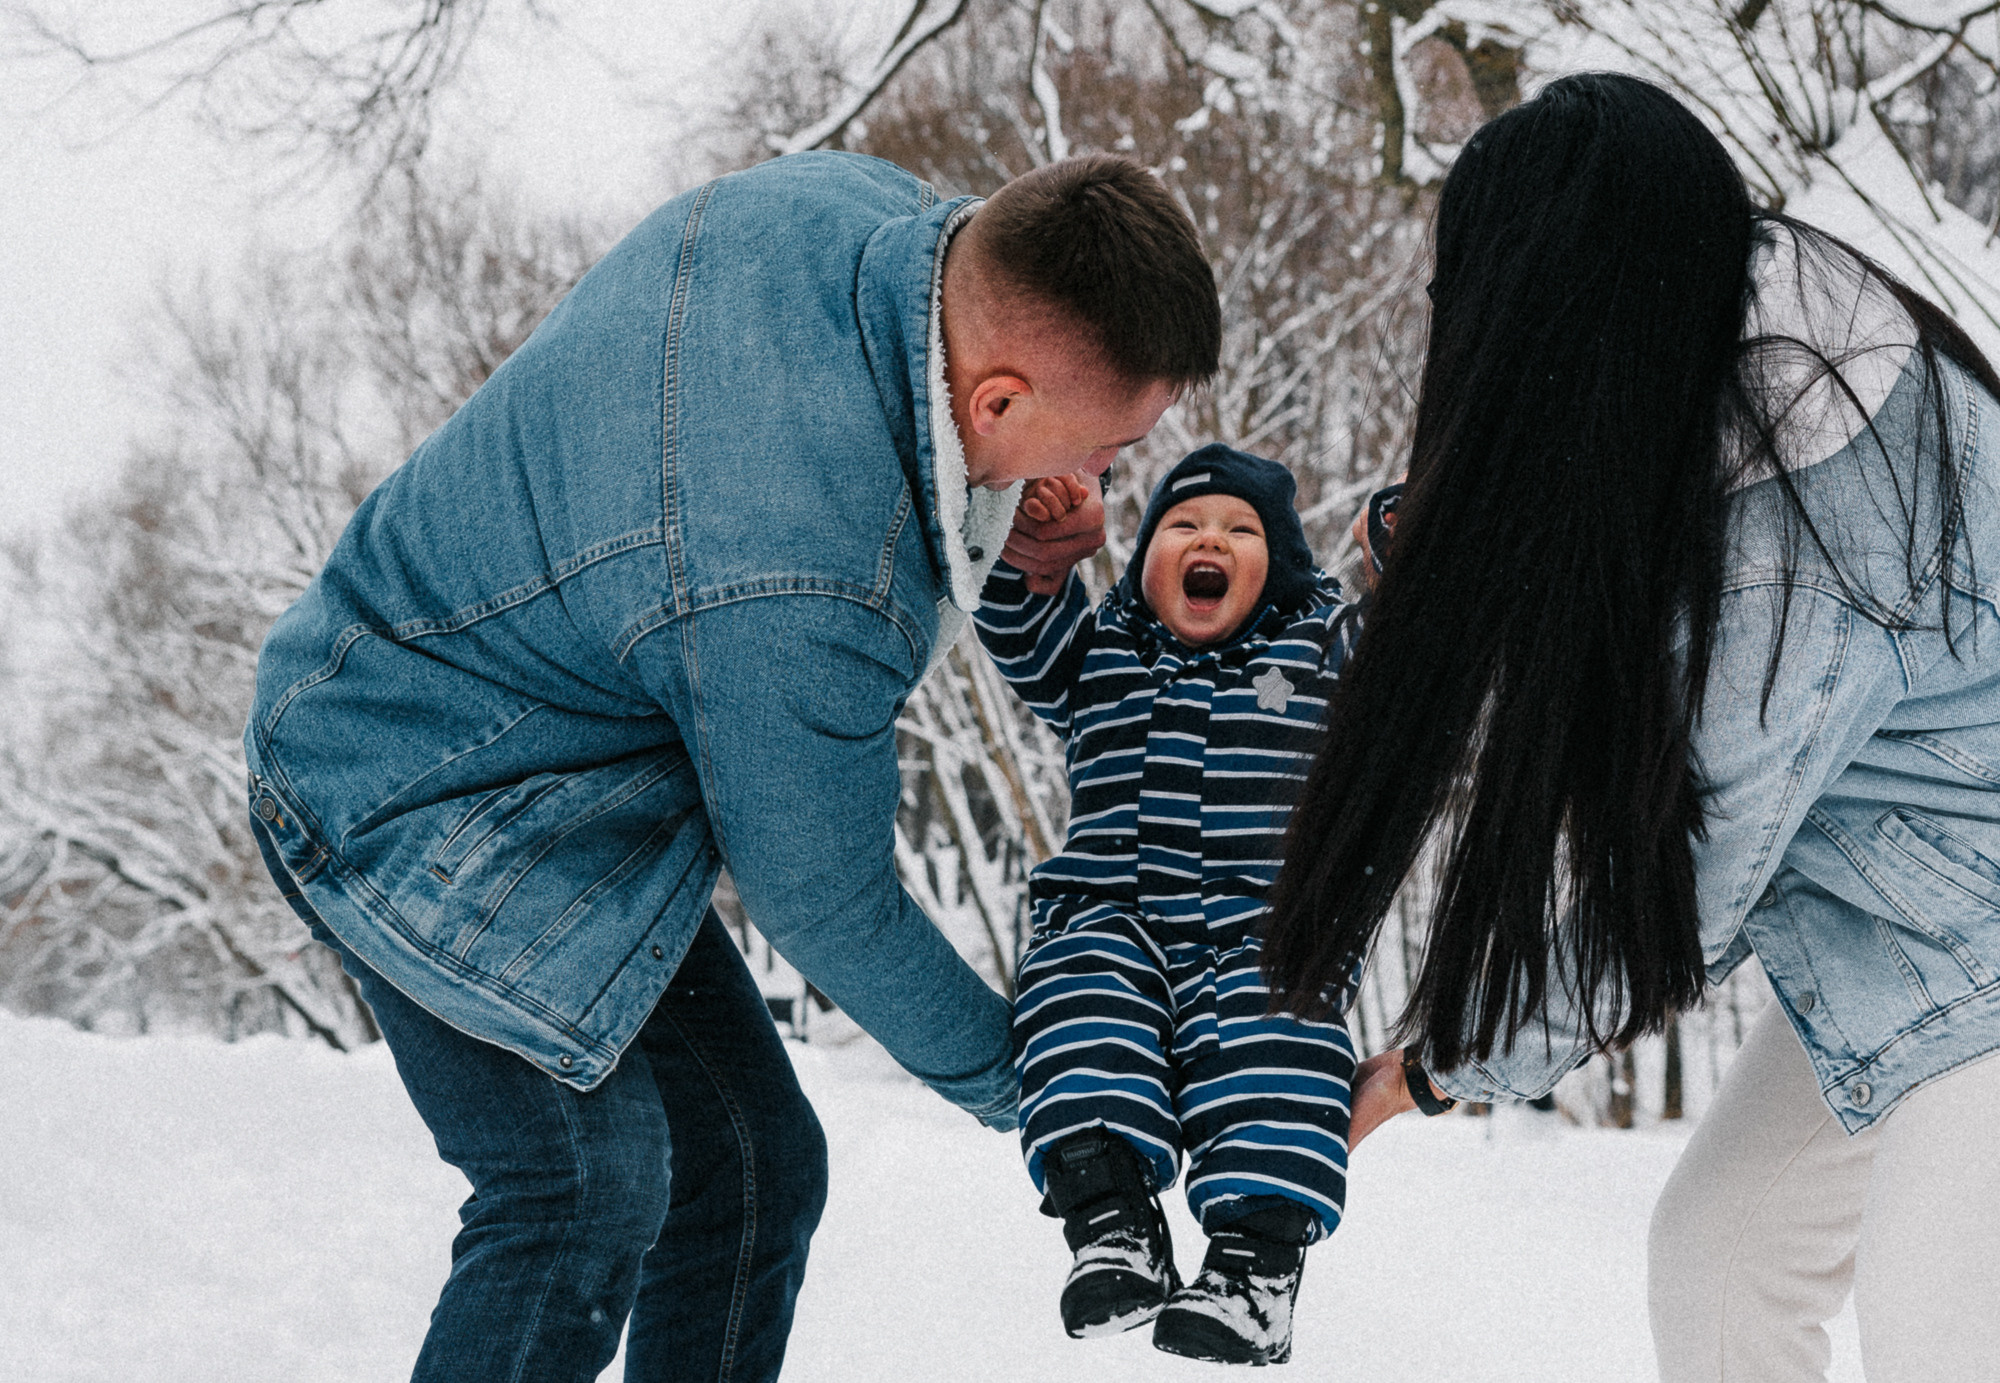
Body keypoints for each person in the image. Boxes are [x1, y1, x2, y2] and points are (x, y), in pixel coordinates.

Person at [243, 150, 1220, 1382]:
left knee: (755, 1172)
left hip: (552, 758)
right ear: (996, 404)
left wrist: (1005, 515)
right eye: (1105, 439)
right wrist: (1055, 1095)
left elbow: (882, 457)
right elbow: (822, 899)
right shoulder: (805, 580)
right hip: (397, 782)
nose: (1106, 474)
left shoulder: (855, 214)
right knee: (580, 1191)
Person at [1261, 72, 2000, 1383]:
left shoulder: (1803, 514)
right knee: (1723, 1266)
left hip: (1980, 951)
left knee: (1937, 1323)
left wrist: (1427, 1070)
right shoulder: (1727, 330)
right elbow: (1613, 548)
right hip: (1912, 932)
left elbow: (1669, 884)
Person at [975, 445, 1367, 1366]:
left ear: (1280, 567)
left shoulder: (1315, 650)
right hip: (1113, 912)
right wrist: (1032, 548)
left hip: (1264, 926)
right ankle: (1111, 1221)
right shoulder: (1101, 650)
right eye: (1183, 526)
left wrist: (1410, 549)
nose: (1209, 540)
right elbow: (1018, 620)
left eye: (1241, 530)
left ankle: (1253, 1270)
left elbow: (1421, 654)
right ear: (1146, 559)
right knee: (1076, 1000)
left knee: (1279, 1042)